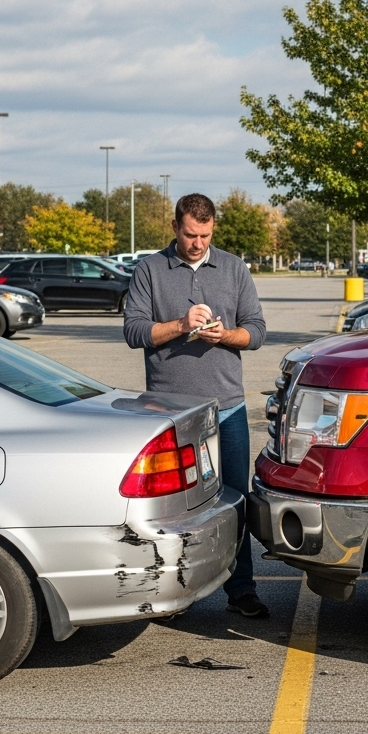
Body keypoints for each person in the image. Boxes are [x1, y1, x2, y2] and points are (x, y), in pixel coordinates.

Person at [123, 193, 270, 618]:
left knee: (235, 500)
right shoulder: (150, 269)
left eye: (205, 236)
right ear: (175, 228)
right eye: (190, 235)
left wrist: (225, 336)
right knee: (174, 509)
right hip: (170, 414)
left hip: (228, 408)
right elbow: (134, 331)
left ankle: (241, 590)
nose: (198, 244)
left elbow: (257, 332)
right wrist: (180, 325)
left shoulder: (234, 268)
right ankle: (175, 594)